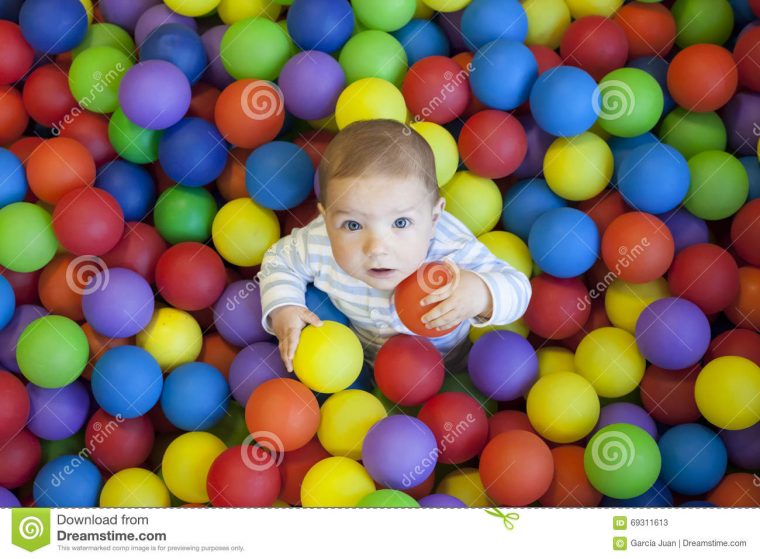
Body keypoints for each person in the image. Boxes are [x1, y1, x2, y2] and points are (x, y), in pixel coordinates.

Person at [257, 119, 532, 373]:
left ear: (433, 219)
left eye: (400, 223)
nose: (376, 247)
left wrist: (481, 293)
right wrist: (284, 308)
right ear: (326, 219)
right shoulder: (319, 242)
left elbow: (519, 289)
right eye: (353, 225)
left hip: (451, 365)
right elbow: (279, 261)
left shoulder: (451, 252)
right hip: (355, 366)